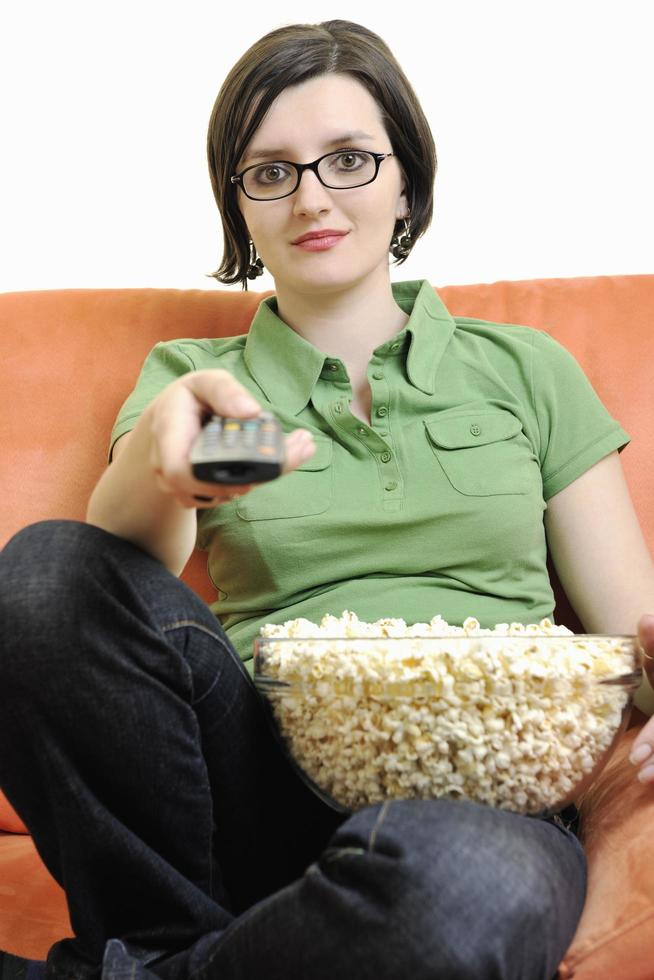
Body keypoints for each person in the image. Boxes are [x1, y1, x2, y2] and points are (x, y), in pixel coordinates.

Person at [2, 17, 654, 980]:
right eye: (271, 172)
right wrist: (168, 464)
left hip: (477, 797)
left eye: (347, 159)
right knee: (43, 571)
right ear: (242, 205)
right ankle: (173, 936)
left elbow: (632, 629)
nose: (311, 196)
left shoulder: (525, 370)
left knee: (468, 892)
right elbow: (100, 588)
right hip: (250, 784)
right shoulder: (199, 377)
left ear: (404, 180)